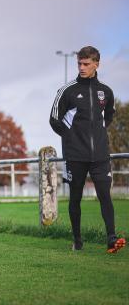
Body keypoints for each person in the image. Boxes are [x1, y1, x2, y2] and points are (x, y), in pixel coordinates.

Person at [49, 46, 126, 253]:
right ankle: (77, 240)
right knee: (75, 198)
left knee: (105, 196)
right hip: (75, 155)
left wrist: (97, 136)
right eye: (79, 64)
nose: (82, 68)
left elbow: (108, 117)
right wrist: (72, 138)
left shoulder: (106, 92)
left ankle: (111, 239)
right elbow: (54, 119)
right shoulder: (67, 91)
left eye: (86, 64)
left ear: (96, 64)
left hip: (100, 155)